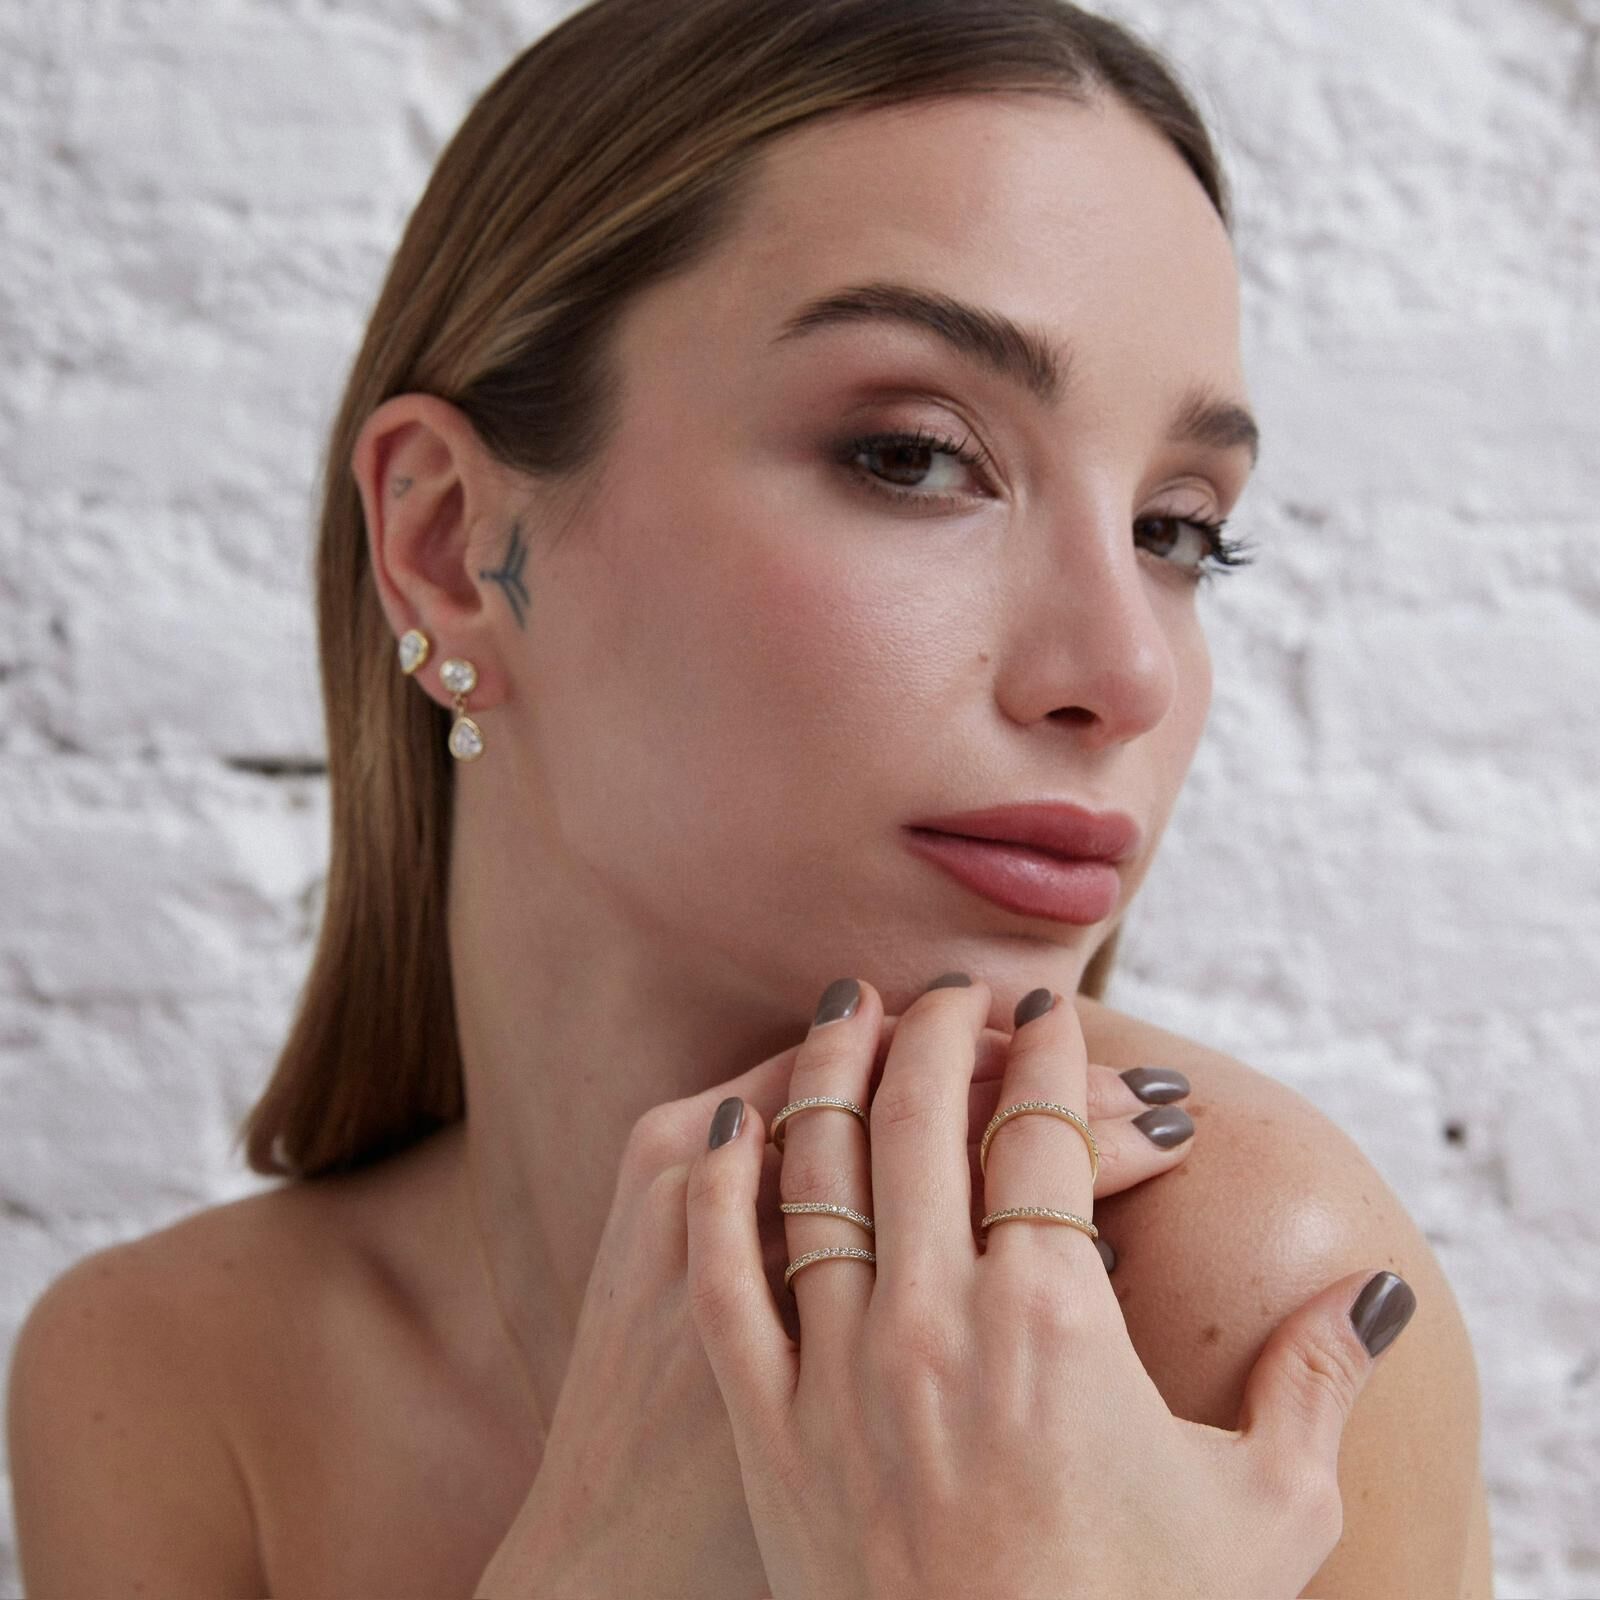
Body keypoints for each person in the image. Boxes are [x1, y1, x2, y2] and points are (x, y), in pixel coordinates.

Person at [5, 0, 1491, 1594]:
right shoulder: (167, 1377)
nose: (1123, 671)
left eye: (1179, 530)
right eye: (915, 455)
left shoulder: (1235, 1294)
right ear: (448, 549)